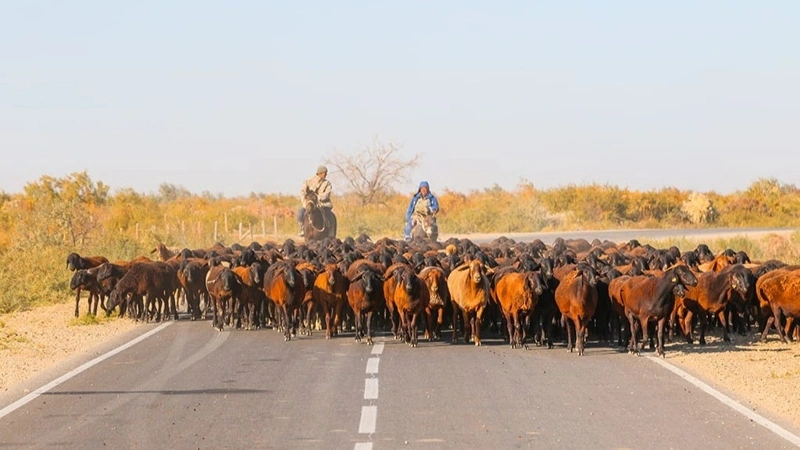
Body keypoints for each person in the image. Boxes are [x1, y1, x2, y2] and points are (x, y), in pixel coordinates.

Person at [298, 165, 333, 236]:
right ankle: (302, 228)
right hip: (309, 203)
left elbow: (327, 194)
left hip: (323, 204)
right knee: (300, 213)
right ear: (319, 173)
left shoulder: (327, 184)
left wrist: (318, 197)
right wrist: (305, 202)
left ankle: (330, 232)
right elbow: (302, 192)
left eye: (326, 173)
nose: (326, 175)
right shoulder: (308, 181)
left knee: (330, 215)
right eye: (325, 173)